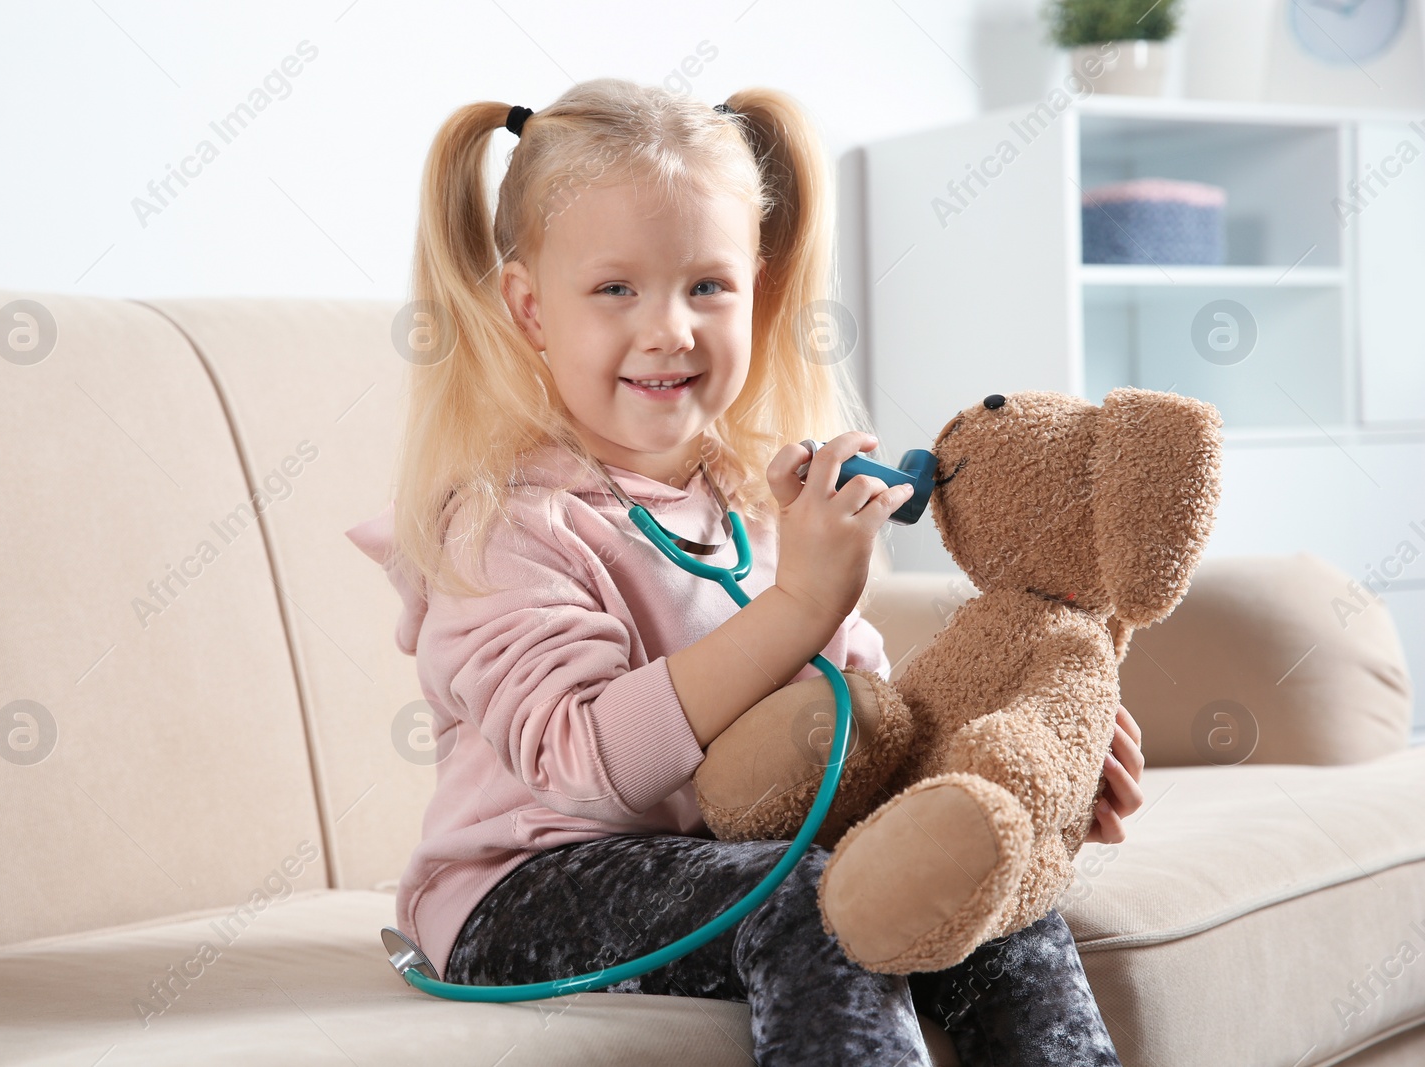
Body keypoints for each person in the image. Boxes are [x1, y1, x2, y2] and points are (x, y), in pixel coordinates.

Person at [346, 78, 1145, 1066]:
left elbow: (864, 725)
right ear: (529, 307)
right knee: (821, 900)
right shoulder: (503, 527)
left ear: (756, 287)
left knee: (981, 897)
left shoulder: (762, 503)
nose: (668, 327)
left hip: (728, 857)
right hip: (520, 888)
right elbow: (584, 766)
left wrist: (1034, 754)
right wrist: (800, 603)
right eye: (614, 288)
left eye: (706, 286)